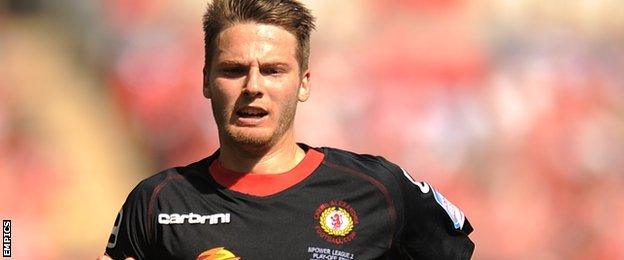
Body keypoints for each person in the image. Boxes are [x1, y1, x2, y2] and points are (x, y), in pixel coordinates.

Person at [100, 0, 475, 259]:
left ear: (304, 83)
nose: (253, 87)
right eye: (233, 70)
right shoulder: (158, 202)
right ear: (205, 81)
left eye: (273, 71)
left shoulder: (378, 189)